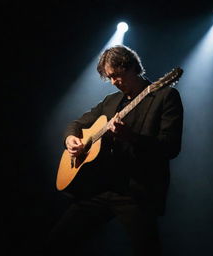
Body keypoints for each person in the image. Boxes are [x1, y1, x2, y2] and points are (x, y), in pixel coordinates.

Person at [45, 45, 184, 256]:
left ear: (132, 68)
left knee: (147, 250)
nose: (113, 82)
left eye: (117, 76)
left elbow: (170, 147)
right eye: (109, 78)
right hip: (100, 188)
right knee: (57, 242)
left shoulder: (165, 97)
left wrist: (131, 138)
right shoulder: (110, 102)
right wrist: (70, 139)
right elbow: (76, 124)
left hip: (136, 191)